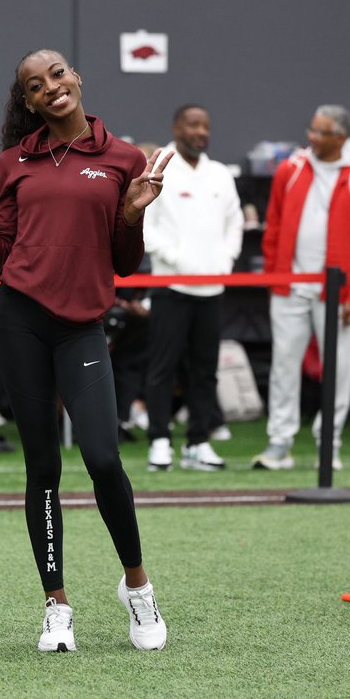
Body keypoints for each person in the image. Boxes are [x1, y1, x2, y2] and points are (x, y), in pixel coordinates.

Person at [0, 48, 171, 653]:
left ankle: (137, 588)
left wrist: (133, 215)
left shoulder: (122, 158)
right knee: (42, 466)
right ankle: (56, 605)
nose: (51, 87)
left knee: (103, 457)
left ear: (76, 79)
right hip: (19, 324)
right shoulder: (15, 163)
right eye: (35, 86)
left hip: (82, 327)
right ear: (29, 102)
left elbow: (123, 260)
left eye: (57, 74)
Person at [253, 105, 350, 470]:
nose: (312, 137)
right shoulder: (290, 170)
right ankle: (279, 443)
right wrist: (274, 278)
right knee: (283, 365)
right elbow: (273, 228)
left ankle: (331, 443)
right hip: (290, 286)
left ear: (340, 138)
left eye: (321, 132)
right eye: (311, 129)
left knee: (338, 369)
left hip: (338, 294)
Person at [142, 104, 243, 471]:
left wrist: (226, 259)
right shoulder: (159, 167)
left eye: (205, 125)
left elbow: (234, 222)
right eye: (193, 125)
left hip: (211, 289)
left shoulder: (219, 175)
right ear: (177, 127)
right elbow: (144, 224)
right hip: (170, 286)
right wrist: (175, 257)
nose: (200, 131)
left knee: (205, 371)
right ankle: (159, 441)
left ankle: (198, 442)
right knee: (161, 369)